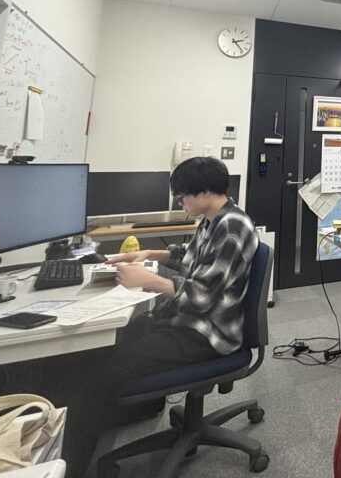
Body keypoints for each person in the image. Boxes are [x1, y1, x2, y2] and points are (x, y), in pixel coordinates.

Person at [107, 155, 259, 382]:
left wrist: (147, 279)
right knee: (131, 330)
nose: (181, 204)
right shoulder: (213, 219)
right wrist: (148, 254)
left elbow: (201, 297)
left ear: (204, 192)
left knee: (123, 358)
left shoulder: (232, 228)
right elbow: (189, 256)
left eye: (182, 198)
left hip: (209, 332)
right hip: (191, 319)